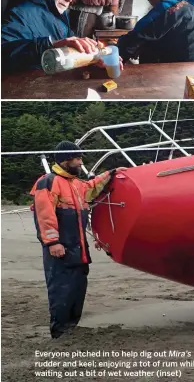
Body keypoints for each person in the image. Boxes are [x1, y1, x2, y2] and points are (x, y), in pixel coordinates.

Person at [30, 141, 127, 338]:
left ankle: (72, 328)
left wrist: (112, 173)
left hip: (79, 248)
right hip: (60, 248)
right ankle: (60, 331)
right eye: (77, 158)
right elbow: (44, 215)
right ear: (66, 160)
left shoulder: (76, 184)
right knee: (61, 289)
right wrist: (52, 242)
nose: (80, 161)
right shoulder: (48, 182)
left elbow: (92, 188)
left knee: (77, 288)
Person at [1, 0, 122, 74]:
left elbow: (71, 45)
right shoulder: (22, 10)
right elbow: (3, 52)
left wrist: (95, 57)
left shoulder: (60, 16)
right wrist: (50, 45)